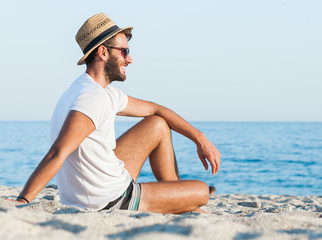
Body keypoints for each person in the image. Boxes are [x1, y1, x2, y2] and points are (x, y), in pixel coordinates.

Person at [14, 13, 221, 214]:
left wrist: (201, 140)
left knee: (157, 123)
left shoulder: (92, 90)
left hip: (102, 187)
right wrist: (23, 200)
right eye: (124, 52)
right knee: (202, 192)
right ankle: (176, 200)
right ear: (103, 52)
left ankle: (173, 197)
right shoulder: (92, 98)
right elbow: (57, 152)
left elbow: (157, 109)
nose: (129, 59)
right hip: (108, 201)